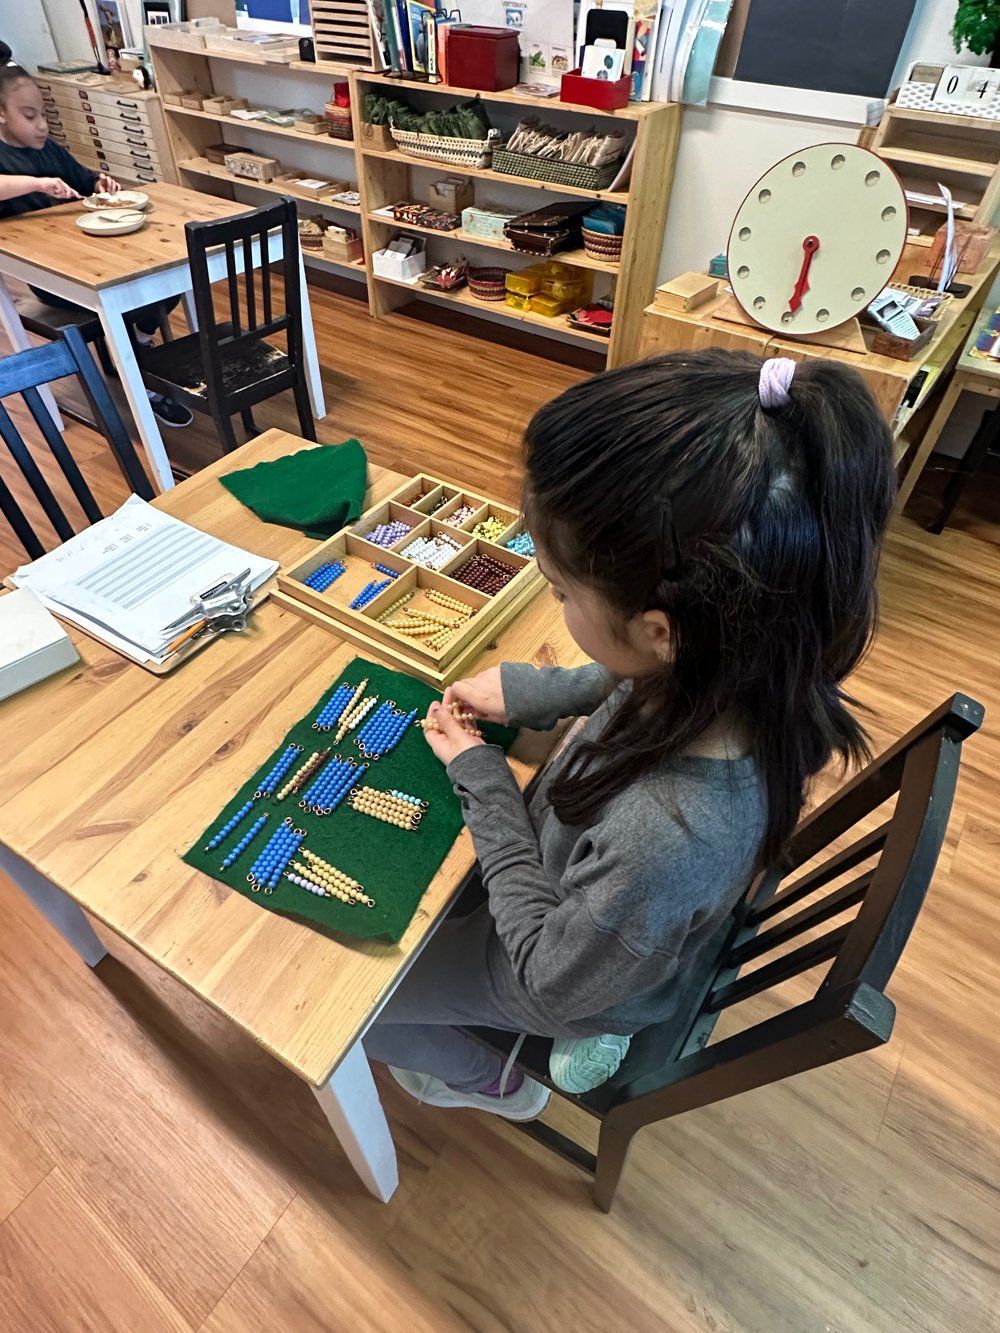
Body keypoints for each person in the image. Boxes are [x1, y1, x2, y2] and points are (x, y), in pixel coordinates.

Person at [364, 349, 896, 1120]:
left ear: (659, 631)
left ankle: (492, 1079)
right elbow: (624, 677)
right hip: (596, 906)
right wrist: (528, 690)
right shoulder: (749, 655)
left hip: (561, 974)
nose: (556, 605)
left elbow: (546, 974)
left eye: (559, 591)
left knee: (355, 1008)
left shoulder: (668, 835)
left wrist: (483, 777)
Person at [0, 50, 192, 428]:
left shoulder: (49, 150)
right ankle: (138, 370)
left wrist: (99, 182)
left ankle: (135, 347)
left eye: (43, 115)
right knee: (134, 294)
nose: (42, 126)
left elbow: (82, 176)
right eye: (29, 116)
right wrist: (38, 183)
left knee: (166, 278)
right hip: (52, 276)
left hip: (86, 253)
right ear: (1, 114)